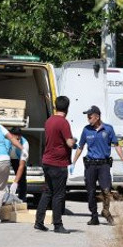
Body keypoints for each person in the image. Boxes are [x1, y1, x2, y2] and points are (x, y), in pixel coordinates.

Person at [70, 105, 117, 225]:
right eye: (88, 117)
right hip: (90, 165)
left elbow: (116, 145)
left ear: (97, 117)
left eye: (90, 117)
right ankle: (94, 216)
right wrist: (73, 162)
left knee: (106, 189)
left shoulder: (108, 129)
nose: (88, 119)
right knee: (90, 191)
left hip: (104, 165)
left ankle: (106, 211)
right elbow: (80, 147)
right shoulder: (86, 130)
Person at [35, 95, 75, 232]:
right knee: (58, 194)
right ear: (67, 108)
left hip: (47, 161)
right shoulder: (63, 122)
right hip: (58, 163)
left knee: (47, 192)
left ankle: (39, 221)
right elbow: (69, 142)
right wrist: (74, 142)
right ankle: (58, 224)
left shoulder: (49, 121)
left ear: (55, 106)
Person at [8, 126, 29, 201]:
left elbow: (21, 165)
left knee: (22, 180)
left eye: (18, 136)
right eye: (14, 136)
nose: (17, 138)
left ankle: (22, 199)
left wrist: (15, 183)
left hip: (18, 160)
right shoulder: (6, 140)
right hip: (7, 158)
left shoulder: (25, 144)